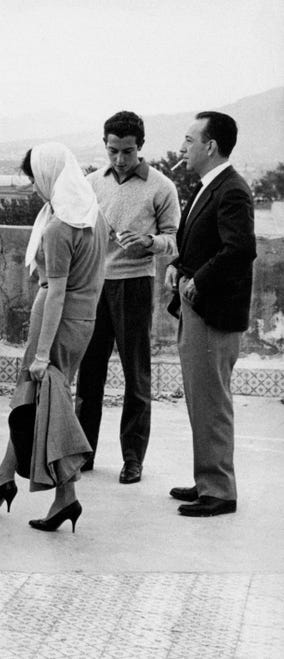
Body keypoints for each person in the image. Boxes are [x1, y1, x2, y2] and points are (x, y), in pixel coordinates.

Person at [0, 142, 108, 532]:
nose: (35, 188)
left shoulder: (59, 227)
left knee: (48, 403)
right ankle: (3, 478)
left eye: (34, 179)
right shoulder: (93, 215)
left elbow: (55, 290)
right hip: (82, 320)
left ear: (48, 175)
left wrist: (40, 353)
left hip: (55, 322)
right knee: (37, 401)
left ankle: (66, 496)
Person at [74, 111, 180, 484]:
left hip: (134, 285)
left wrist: (149, 243)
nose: (120, 159)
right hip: (93, 286)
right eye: (113, 151)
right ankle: (83, 452)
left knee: (137, 375)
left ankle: (133, 458)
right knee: (89, 372)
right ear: (105, 146)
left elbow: (174, 239)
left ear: (141, 147)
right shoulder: (89, 183)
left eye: (128, 152)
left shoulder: (162, 186)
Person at [166, 112, 256, 517]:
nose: (183, 148)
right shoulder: (208, 187)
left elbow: (238, 249)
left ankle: (219, 489)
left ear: (210, 146)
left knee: (211, 401)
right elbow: (202, 243)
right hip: (198, 307)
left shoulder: (232, 190)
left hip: (212, 313)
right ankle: (208, 479)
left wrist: (197, 280)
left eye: (188, 140)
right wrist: (179, 265)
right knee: (201, 399)